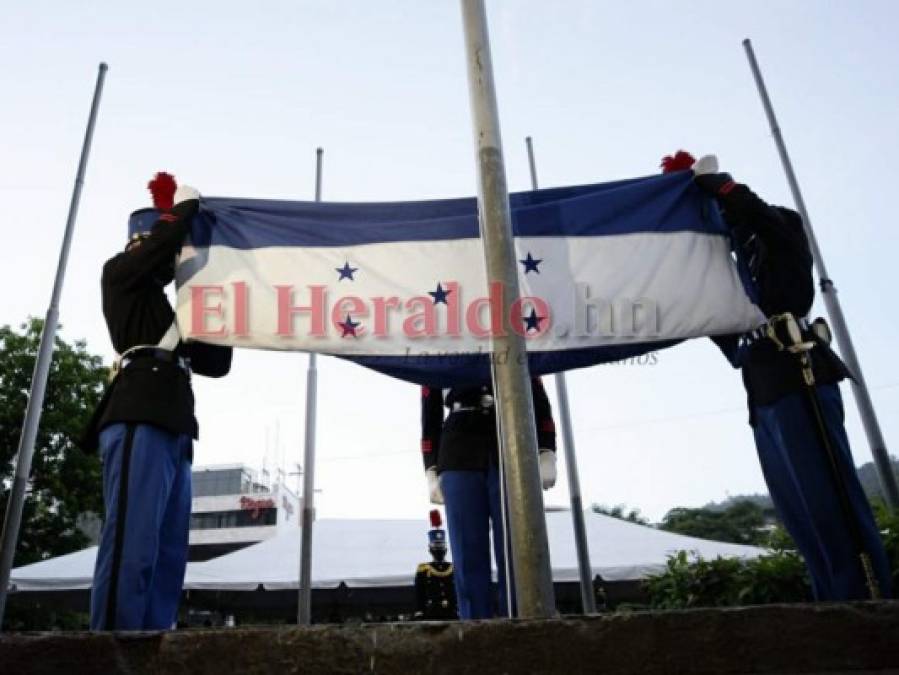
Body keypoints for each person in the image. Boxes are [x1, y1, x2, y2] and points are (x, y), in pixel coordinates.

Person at [661, 150, 892, 600]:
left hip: (799, 370)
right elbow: (709, 314)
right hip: (762, 385)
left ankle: (868, 601)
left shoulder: (779, 229)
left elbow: (762, 219)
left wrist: (723, 186)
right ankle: (832, 604)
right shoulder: (723, 263)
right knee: (799, 509)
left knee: (830, 500)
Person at [81, 172, 233, 630]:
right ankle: (110, 644)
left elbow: (215, 361)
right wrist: (184, 210)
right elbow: (156, 250)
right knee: (133, 537)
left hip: (174, 418)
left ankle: (152, 637)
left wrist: (212, 295)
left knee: (168, 549)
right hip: (138, 408)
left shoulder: (171, 309)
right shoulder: (120, 274)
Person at [421, 378, 557, 619]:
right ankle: (475, 628)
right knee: (467, 549)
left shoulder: (513, 341)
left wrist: (546, 450)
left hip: (511, 441)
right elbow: (430, 413)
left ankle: (522, 623)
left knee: (517, 547)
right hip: (458, 450)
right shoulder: (441, 344)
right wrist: (430, 467)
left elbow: (536, 394)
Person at [413, 509, 458, 620]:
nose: (439, 549)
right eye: (436, 546)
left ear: (446, 549)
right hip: (431, 613)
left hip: (451, 613)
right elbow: (420, 593)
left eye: (441, 546)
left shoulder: (452, 568)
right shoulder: (423, 569)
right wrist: (420, 611)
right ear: (430, 549)